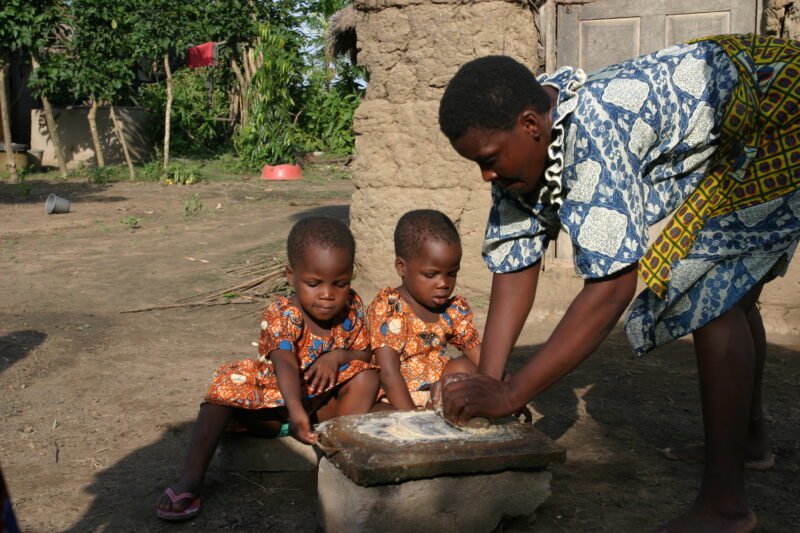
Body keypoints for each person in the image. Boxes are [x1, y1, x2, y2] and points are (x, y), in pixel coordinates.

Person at [436, 34, 800, 533]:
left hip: (781, 108)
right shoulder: (527, 144)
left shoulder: (591, 135)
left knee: (709, 292)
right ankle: (748, 441)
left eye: (491, 158)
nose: (485, 175)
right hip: (741, 114)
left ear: (530, 125)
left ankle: (726, 506)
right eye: (477, 162)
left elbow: (611, 289)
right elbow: (515, 260)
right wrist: (489, 379)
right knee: (727, 287)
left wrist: (511, 394)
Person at [155, 216, 379, 522]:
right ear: (291, 275)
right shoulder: (282, 313)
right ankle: (191, 480)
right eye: (314, 283)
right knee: (222, 390)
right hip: (269, 412)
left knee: (367, 375)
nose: (327, 294)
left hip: (320, 412)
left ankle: (339, 458)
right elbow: (284, 361)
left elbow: (364, 352)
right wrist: (295, 409)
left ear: (350, 278)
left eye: (339, 283)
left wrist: (338, 356)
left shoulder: (351, 307)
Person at [368, 209, 481, 410]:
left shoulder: (452, 309)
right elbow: (388, 372)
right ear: (401, 267)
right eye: (431, 275)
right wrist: (413, 420)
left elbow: (480, 356)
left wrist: (506, 389)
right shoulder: (391, 306)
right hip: (396, 399)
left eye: (452, 273)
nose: (443, 283)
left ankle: (438, 421)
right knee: (378, 417)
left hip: (437, 398)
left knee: (465, 368)